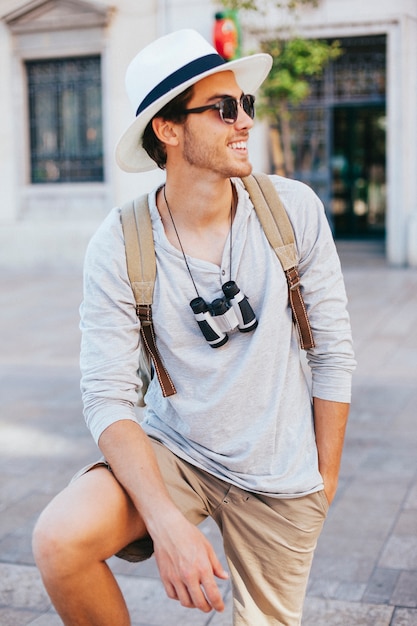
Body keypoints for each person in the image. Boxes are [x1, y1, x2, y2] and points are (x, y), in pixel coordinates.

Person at [33, 29, 356, 626]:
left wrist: (323, 483)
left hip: (277, 470)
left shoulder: (293, 211)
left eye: (246, 105)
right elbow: (108, 396)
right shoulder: (121, 242)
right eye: (223, 108)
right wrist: (166, 525)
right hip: (176, 452)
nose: (245, 122)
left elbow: (334, 353)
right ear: (169, 129)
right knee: (59, 541)